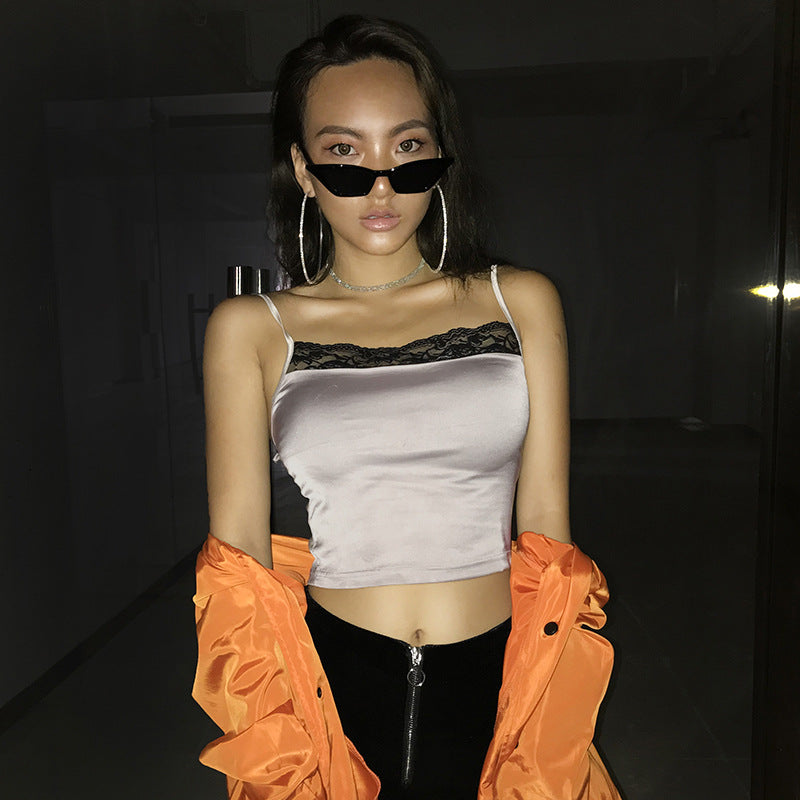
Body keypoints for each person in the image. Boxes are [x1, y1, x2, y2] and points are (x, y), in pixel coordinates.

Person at [192, 15, 621, 800]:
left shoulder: (518, 300)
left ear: (440, 154)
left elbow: (548, 528)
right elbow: (239, 564)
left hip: (499, 673)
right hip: (334, 679)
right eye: (344, 154)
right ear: (304, 169)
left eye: (407, 147)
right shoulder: (252, 328)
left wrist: (547, 700)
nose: (381, 185)